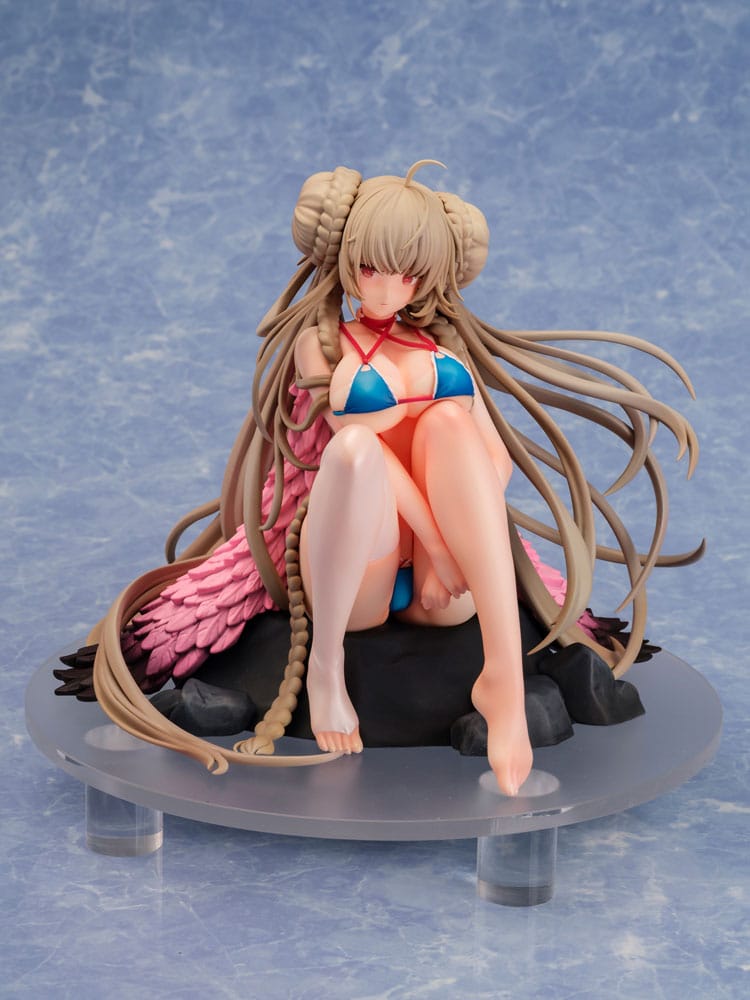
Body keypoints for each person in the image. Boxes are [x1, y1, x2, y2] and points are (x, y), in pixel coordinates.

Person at [87, 161, 700, 796]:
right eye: (371, 268)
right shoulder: (322, 344)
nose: (385, 290)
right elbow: (361, 456)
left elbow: (494, 460)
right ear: (344, 256)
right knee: (355, 446)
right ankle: (326, 667)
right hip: (361, 572)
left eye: (406, 274)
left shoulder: (442, 348)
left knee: (451, 424)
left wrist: (451, 546)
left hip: (445, 588)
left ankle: (502, 677)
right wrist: (435, 540)